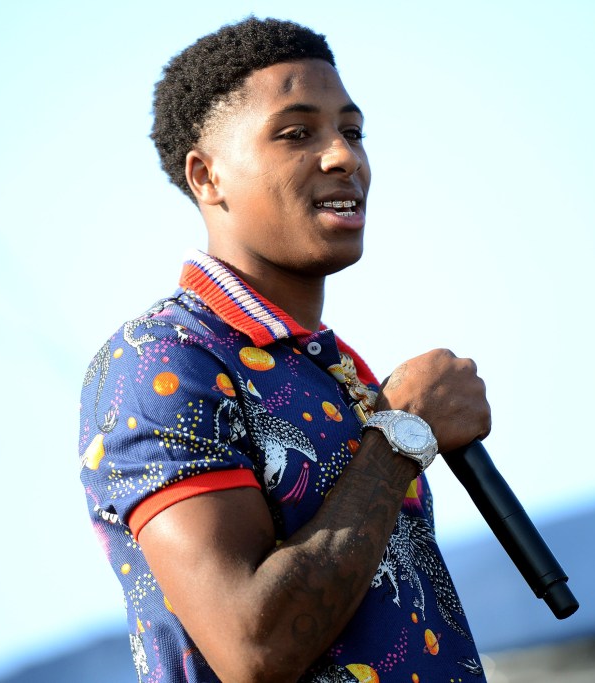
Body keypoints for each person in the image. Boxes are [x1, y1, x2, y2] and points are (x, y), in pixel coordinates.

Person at [78, 16, 491, 683]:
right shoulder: (161, 358)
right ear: (207, 176)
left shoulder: (335, 370)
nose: (343, 157)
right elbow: (253, 647)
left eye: (353, 131)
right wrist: (402, 434)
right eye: (297, 134)